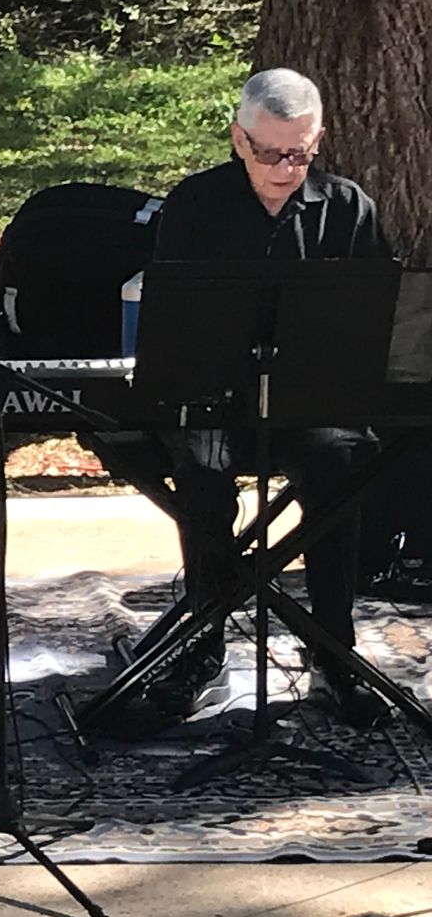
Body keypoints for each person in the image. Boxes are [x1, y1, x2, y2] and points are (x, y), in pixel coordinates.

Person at [149, 67, 392, 727]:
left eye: (300, 154)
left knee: (342, 463)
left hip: (309, 401)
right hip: (215, 399)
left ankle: (332, 651)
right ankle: (203, 642)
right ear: (238, 140)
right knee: (202, 474)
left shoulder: (347, 207)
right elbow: (174, 330)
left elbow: (374, 326)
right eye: (269, 153)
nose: (286, 168)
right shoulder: (194, 206)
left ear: (318, 141)